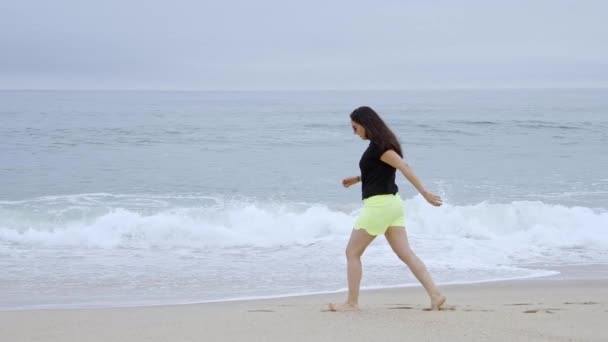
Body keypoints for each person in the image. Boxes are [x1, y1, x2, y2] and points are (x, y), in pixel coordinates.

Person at [329, 106, 446, 312]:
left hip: (379, 206)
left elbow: (404, 167)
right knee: (406, 254)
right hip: (392, 205)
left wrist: (425, 193)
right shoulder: (380, 146)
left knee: (352, 252)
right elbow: (378, 172)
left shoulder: (381, 148)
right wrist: (357, 179)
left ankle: (351, 303)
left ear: (365, 124)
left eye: (355, 127)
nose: (354, 132)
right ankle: (436, 295)